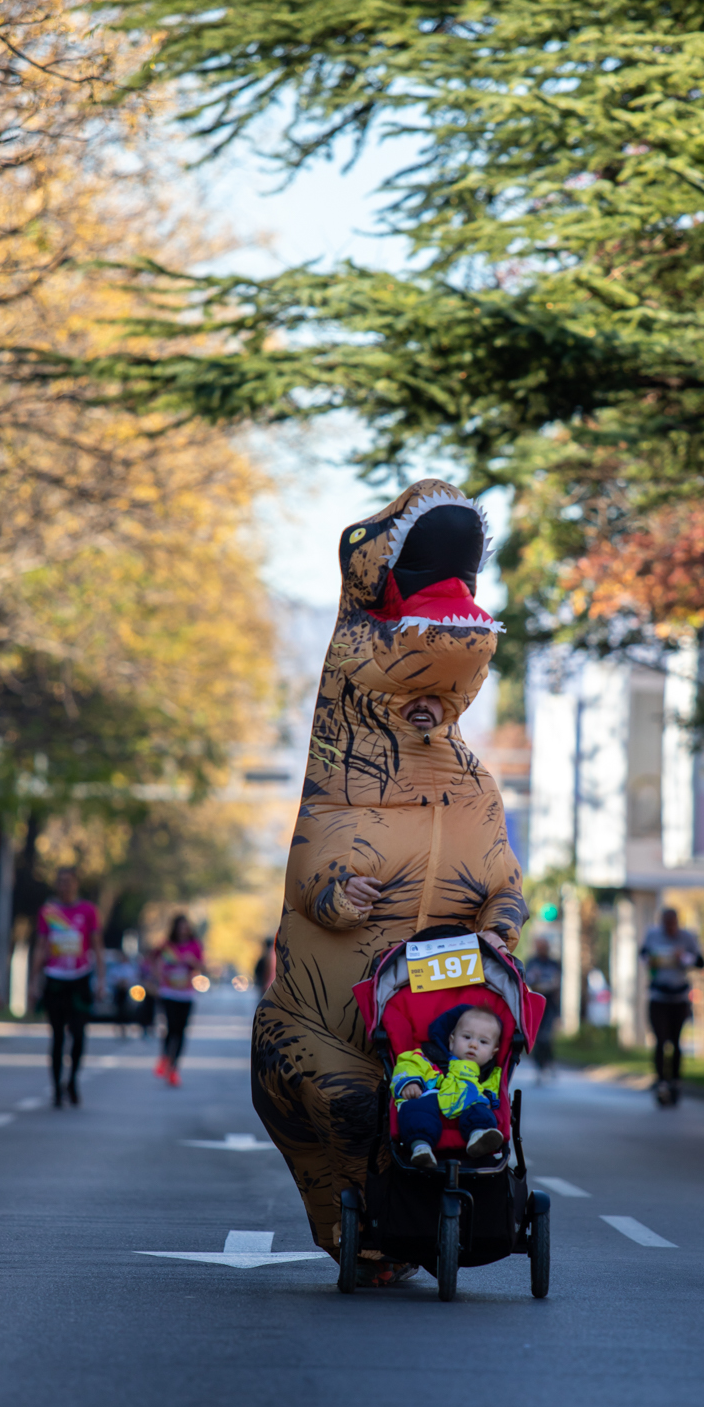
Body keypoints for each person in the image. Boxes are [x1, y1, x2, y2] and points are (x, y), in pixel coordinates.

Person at [251, 478, 527, 1288]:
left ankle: (410, 1221)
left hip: (432, 1020)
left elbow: (502, 878)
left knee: (444, 1096)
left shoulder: (472, 781)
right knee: (347, 1104)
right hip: (327, 1026)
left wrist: (503, 913)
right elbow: (312, 871)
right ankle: (361, 1227)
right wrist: (334, 893)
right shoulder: (340, 767)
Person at [392, 1004, 507, 1169]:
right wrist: (410, 1082)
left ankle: (479, 1136)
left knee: (480, 1109)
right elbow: (408, 1065)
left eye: (483, 1042)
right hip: (433, 1099)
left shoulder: (489, 1074)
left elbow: (492, 1090)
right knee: (414, 1107)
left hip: (468, 1101)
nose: (473, 1045)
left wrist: (489, 1099)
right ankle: (420, 1147)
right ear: (451, 1041)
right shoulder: (430, 1057)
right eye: (467, 1037)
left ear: (492, 1053)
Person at [29, 867, 103, 1108]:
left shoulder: (88, 911)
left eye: (69, 882)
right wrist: (33, 981)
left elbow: (96, 946)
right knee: (58, 1036)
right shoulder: (48, 912)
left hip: (80, 978)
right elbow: (41, 946)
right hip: (55, 977)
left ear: (77, 884)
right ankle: (56, 1088)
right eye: (60, 882)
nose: (65, 886)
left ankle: (72, 1080)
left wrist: (100, 979)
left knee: (79, 1035)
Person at [640, 906, 704, 1106]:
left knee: (676, 1043)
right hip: (658, 995)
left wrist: (683, 957)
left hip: (678, 997)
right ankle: (661, 1081)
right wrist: (652, 959)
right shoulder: (652, 935)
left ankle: (675, 1081)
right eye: (665, 923)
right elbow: (642, 954)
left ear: (677, 922)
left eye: (672, 923)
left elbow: (700, 962)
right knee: (660, 1041)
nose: (669, 928)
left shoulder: (687, 938)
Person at [148, 913, 203, 1086]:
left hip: (186, 993)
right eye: (180, 926)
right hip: (168, 992)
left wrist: (192, 961)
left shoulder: (195, 945)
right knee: (170, 1027)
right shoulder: (166, 945)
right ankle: (164, 1058)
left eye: (185, 926)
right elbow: (152, 958)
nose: (183, 930)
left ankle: (173, 1069)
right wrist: (157, 975)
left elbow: (202, 966)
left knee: (181, 1031)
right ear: (175, 928)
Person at [524, 933, 562, 1076]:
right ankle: (539, 1066)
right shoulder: (531, 962)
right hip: (535, 1005)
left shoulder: (554, 963)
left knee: (548, 1036)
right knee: (537, 1037)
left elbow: (556, 983)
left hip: (550, 1005)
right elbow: (528, 982)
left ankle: (549, 1062)